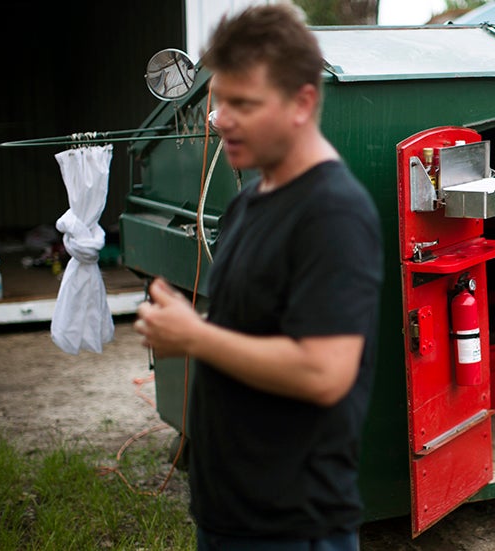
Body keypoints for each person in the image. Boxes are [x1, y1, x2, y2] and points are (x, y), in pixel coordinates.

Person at [134, 4, 383, 550]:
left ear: (303, 102)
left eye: (243, 103)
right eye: (218, 100)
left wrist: (194, 335)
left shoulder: (333, 213)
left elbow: (324, 372)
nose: (220, 118)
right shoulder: (250, 203)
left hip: (293, 526)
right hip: (229, 515)